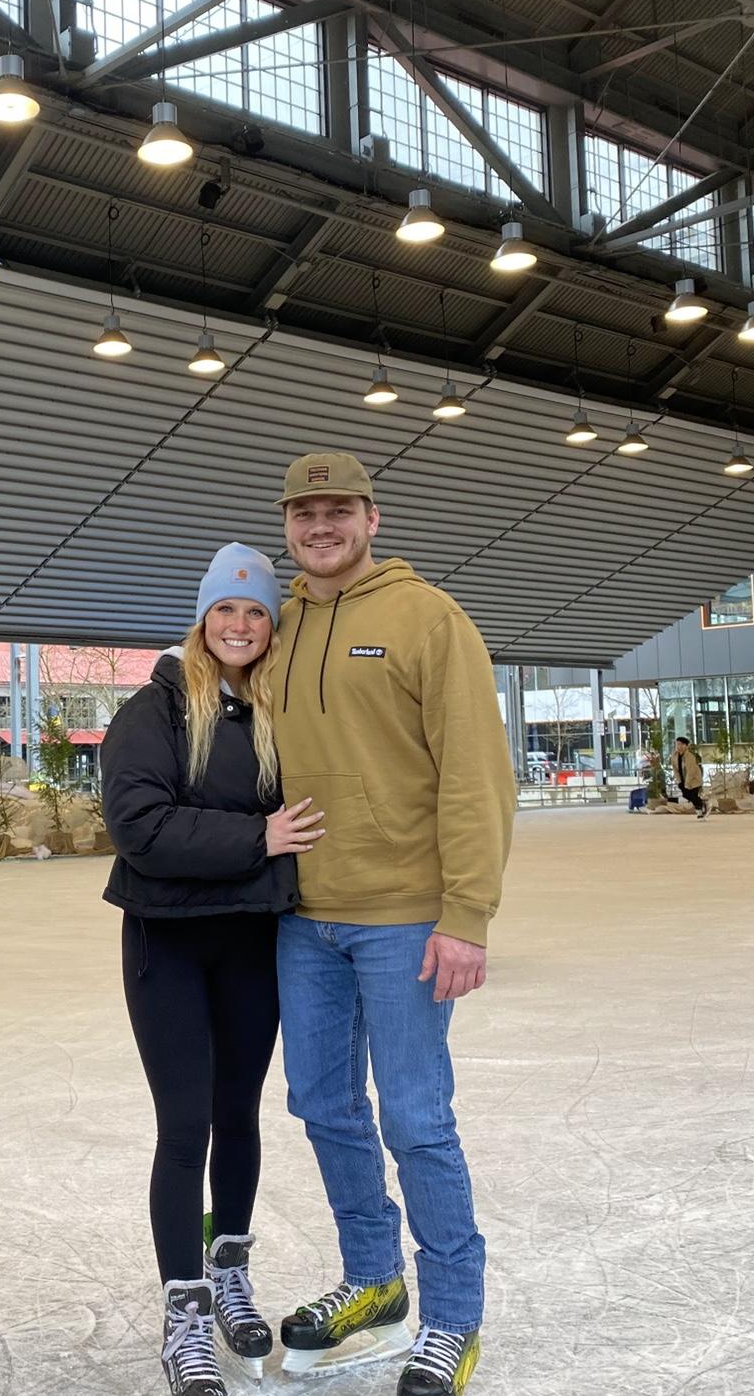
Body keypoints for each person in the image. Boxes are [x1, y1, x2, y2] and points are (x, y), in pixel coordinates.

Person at [268, 454, 516, 1396]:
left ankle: (454, 1317)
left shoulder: (428, 619)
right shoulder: (281, 622)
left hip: (407, 918)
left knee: (415, 1117)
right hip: (304, 919)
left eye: (338, 511)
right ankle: (375, 1280)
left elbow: (475, 774)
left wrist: (467, 915)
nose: (320, 526)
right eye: (304, 513)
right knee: (323, 1104)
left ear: (373, 517)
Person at [101, 542, 324, 1396]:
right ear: (202, 619)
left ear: (271, 627)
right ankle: (184, 1311)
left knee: (239, 1116)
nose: (239, 624)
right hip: (169, 944)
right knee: (185, 1123)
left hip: (248, 941)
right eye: (225, 610)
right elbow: (141, 827)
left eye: (256, 611)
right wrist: (256, 839)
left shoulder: (273, 715)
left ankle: (230, 1271)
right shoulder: (153, 709)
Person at [672, 736, 708, 819]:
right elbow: (675, 770)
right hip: (683, 780)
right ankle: (702, 805)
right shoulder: (674, 756)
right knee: (686, 795)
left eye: (680, 744)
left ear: (686, 746)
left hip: (693, 780)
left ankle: (700, 811)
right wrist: (679, 781)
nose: (678, 746)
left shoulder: (690, 756)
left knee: (692, 795)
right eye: (677, 744)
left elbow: (691, 771)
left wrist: (687, 784)